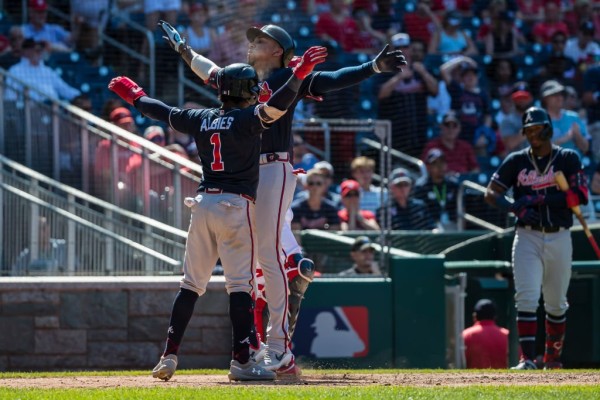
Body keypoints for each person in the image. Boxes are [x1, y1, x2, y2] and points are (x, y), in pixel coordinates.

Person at [159, 20, 405, 375]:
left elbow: (333, 79)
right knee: (255, 264)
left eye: (261, 40)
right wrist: (185, 51)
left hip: (272, 168)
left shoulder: (291, 75)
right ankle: (258, 345)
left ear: (278, 50)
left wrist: (372, 67)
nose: (252, 42)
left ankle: (279, 348)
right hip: (244, 175)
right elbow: (210, 72)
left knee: (269, 257)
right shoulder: (241, 79)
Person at [108, 45, 327, 381]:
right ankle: (242, 361)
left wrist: (134, 96)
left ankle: (169, 355)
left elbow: (160, 110)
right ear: (246, 92)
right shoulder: (246, 120)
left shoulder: (201, 117)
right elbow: (278, 107)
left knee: (190, 286)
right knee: (240, 287)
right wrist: (298, 76)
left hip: (202, 204)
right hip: (236, 207)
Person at [484, 106, 589, 370]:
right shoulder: (517, 160)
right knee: (527, 296)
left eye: (536, 128)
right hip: (527, 235)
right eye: (528, 130)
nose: (532, 134)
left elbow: (579, 196)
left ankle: (552, 360)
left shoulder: (567, 158)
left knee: (555, 302)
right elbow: (491, 193)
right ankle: (527, 359)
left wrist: (540, 199)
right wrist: (513, 206)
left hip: (559, 235)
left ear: (548, 129)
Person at [4, 38, 81, 102]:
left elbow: (65, 89)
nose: (39, 52)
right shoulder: (15, 70)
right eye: (35, 50)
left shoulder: (47, 71)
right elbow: (10, 96)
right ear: (26, 51)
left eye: (40, 50)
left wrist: (81, 96)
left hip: (53, 110)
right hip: (30, 111)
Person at [540, 79, 590, 158]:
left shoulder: (573, 117)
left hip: (574, 165)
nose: (559, 98)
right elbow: (539, 151)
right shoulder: (540, 120)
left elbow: (585, 148)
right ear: (545, 99)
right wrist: (564, 138)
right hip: (550, 167)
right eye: (554, 95)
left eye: (560, 94)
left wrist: (577, 135)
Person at [413, 148, 459, 231]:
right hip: (431, 228)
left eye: (442, 163)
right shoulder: (421, 186)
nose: (440, 167)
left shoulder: (452, 185)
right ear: (429, 167)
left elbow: (460, 209)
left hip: (452, 224)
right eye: (435, 163)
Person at [421, 111, 480, 176]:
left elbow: (475, 169)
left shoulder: (466, 146)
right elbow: (424, 169)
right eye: (447, 125)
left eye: (454, 126)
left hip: (463, 183)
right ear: (441, 127)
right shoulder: (431, 146)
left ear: (459, 128)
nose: (451, 129)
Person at [462, 299, 509, 369]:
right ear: (495, 316)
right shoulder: (507, 335)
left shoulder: (465, 335)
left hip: (473, 379)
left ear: (475, 316)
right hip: (505, 379)